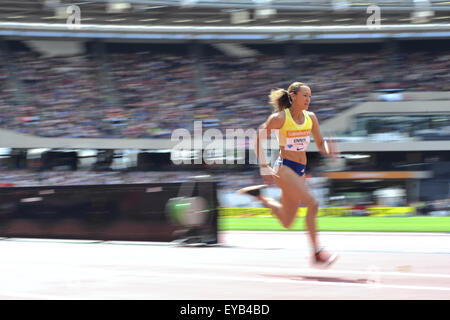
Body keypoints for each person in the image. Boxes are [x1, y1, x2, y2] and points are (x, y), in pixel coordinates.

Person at [238, 81, 339, 268]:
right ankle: (317, 252)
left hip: (300, 172)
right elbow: (258, 137)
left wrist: (328, 150)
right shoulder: (280, 118)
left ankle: (260, 196)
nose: (308, 99)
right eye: (305, 95)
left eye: (310, 96)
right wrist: (263, 166)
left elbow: (320, 144)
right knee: (313, 203)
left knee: (287, 221)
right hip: (284, 168)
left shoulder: (311, 118)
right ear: (293, 96)